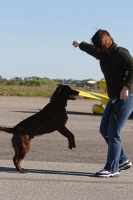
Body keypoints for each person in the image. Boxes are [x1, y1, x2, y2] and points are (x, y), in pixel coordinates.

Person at [73, 29, 133, 177]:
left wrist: (126, 87)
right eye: (97, 47)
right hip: (113, 97)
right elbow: (91, 50)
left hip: (126, 97)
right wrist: (80, 44)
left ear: (107, 42)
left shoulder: (120, 53)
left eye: (100, 46)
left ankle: (112, 169)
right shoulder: (103, 54)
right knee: (104, 129)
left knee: (113, 133)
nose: (98, 49)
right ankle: (123, 159)